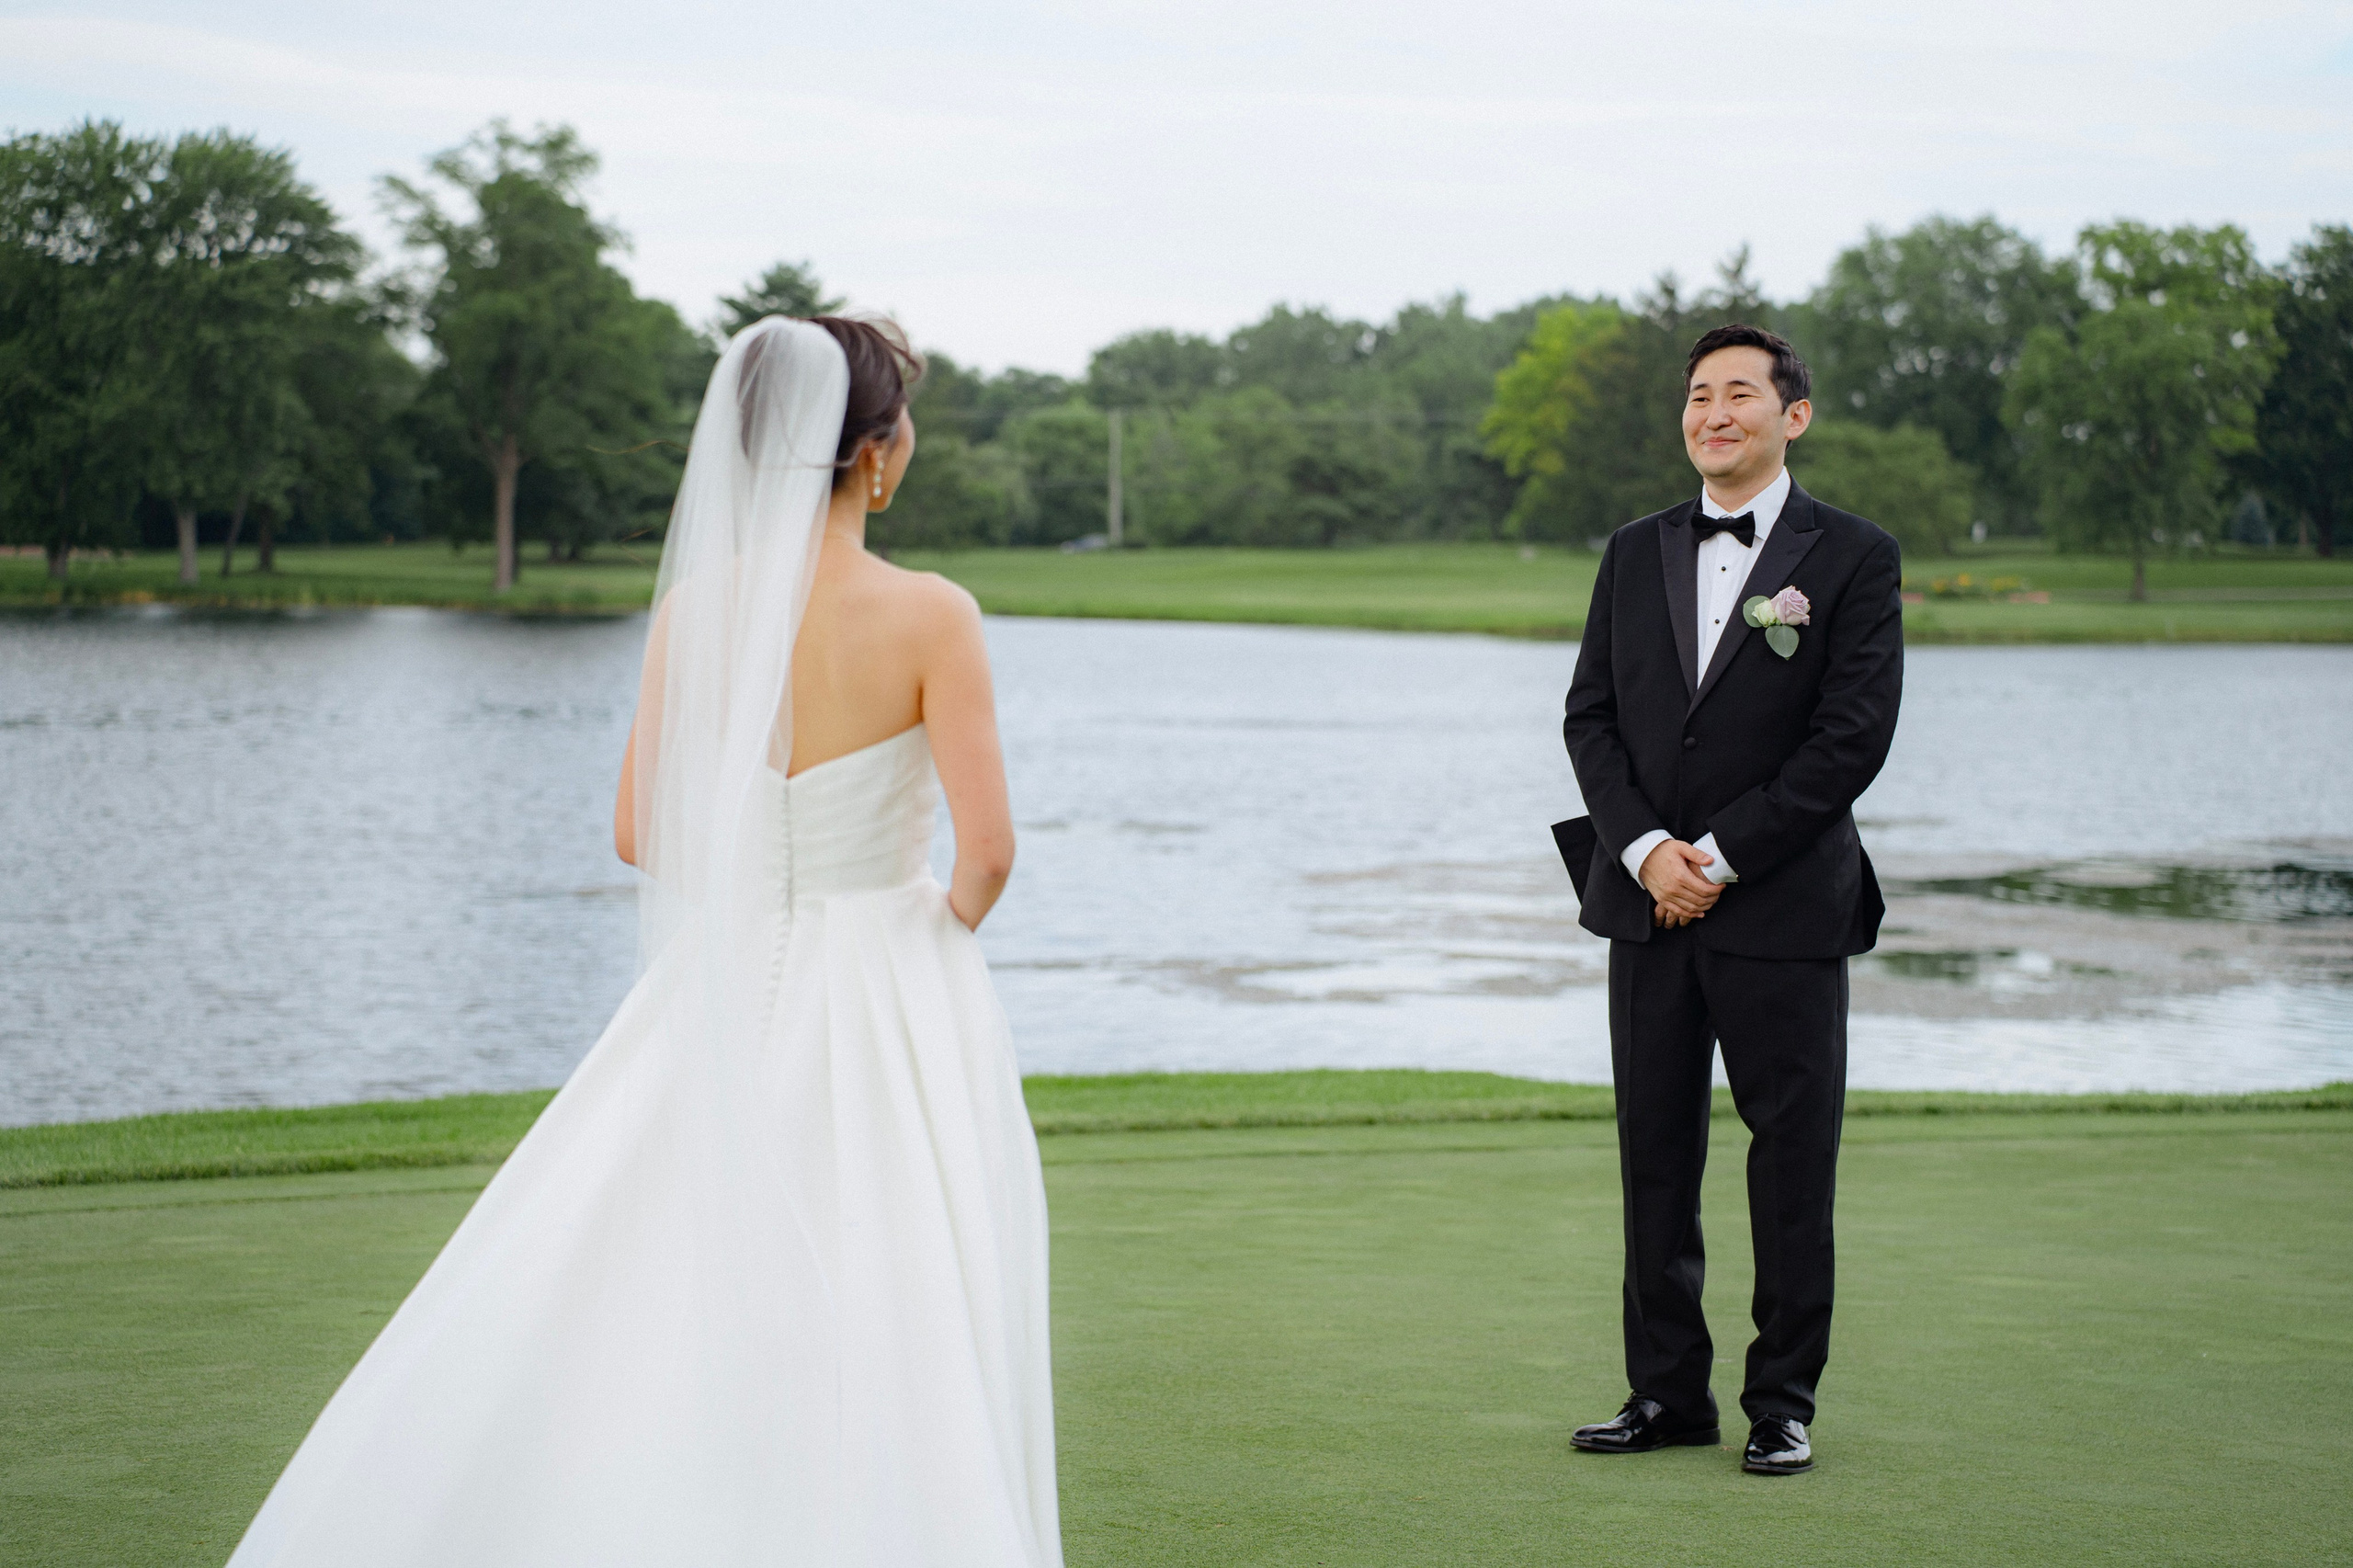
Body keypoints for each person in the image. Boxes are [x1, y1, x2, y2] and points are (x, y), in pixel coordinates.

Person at [225, 317, 1062, 1565]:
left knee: (647, 1248)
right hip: (886, 970)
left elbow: (636, 828)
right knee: (899, 1275)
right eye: (907, 430)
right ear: (872, 457)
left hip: (725, 977)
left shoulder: (695, 610)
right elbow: (989, 851)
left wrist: (767, 879)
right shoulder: (932, 614)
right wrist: (927, 932)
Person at [1554, 324, 1904, 1477]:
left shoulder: (1853, 555)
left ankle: (1781, 1401)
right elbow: (1589, 717)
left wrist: (1718, 853)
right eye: (1698, 395)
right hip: (1645, 903)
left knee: (1790, 1159)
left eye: (1739, 393)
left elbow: (1850, 738)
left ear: (1790, 415)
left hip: (1784, 907)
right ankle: (1666, 1395)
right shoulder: (1630, 548)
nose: (1714, 412)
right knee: (1654, 1151)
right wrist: (1651, 849)